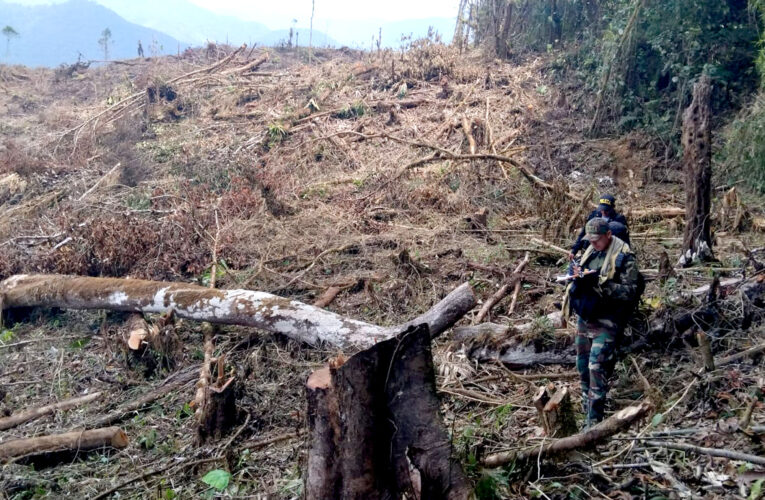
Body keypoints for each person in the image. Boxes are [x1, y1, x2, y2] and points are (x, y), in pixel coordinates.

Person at [562, 217, 640, 425]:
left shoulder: (624, 257)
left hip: (608, 319)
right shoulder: (589, 251)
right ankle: (586, 407)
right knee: (582, 366)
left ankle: (594, 423)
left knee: (596, 367)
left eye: (597, 239)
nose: (593, 243)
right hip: (586, 315)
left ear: (608, 235)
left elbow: (630, 292)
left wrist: (602, 285)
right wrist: (575, 276)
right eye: (590, 239)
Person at [569, 194, 628, 261]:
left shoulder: (619, 220)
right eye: (602, 209)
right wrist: (574, 250)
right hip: (591, 250)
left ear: (612, 208)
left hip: (610, 252)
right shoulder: (595, 215)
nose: (604, 212)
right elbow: (584, 233)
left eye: (607, 210)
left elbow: (624, 241)